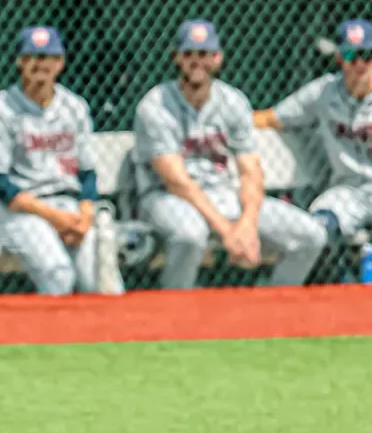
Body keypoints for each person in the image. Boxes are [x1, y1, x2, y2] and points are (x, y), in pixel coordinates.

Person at [135, 20, 323, 289]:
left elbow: (250, 171)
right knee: (191, 234)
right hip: (167, 199)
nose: (196, 61)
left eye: (204, 54)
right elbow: (176, 182)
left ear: (218, 58)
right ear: (176, 57)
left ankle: (271, 308)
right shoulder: (156, 105)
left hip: (226, 196)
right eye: (189, 54)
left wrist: (247, 224)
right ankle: (175, 310)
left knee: (310, 235)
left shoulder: (233, 102)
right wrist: (227, 231)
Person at [0, 26, 103, 295]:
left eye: (47, 58)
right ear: (20, 62)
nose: (40, 65)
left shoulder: (74, 106)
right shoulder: (0, 109)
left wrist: (84, 215)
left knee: (99, 280)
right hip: (21, 211)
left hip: (68, 205)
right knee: (58, 274)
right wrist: (56, 218)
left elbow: (88, 172)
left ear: (60, 63)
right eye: (33, 57)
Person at [255, 18, 372, 265]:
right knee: (317, 227)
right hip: (349, 189)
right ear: (339, 59)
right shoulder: (323, 92)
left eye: (366, 54)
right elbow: (273, 117)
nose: (360, 63)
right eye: (351, 54)